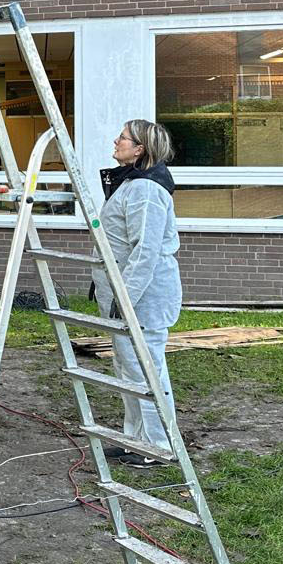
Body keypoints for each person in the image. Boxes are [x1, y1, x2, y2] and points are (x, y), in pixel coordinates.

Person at [96, 119, 181, 469]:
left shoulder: (147, 190)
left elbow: (144, 250)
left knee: (146, 370)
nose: (116, 141)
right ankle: (136, 440)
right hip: (128, 294)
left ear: (140, 148)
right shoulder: (130, 183)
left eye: (124, 138)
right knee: (129, 369)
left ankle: (158, 445)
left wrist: (125, 299)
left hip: (142, 298)